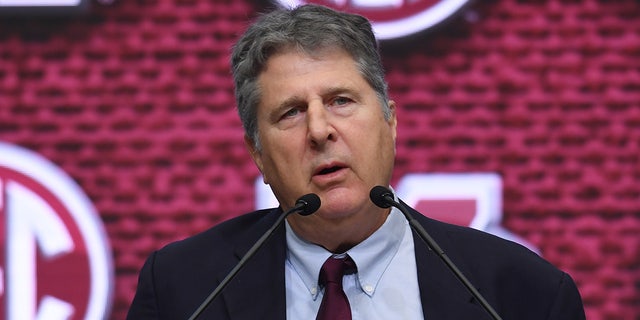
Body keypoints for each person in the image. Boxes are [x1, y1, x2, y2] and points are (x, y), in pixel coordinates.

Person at [127, 4, 586, 320]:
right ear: (258, 156)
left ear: (390, 122)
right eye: (290, 112)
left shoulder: (523, 293)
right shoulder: (182, 289)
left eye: (341, 101)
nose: (320, 129)